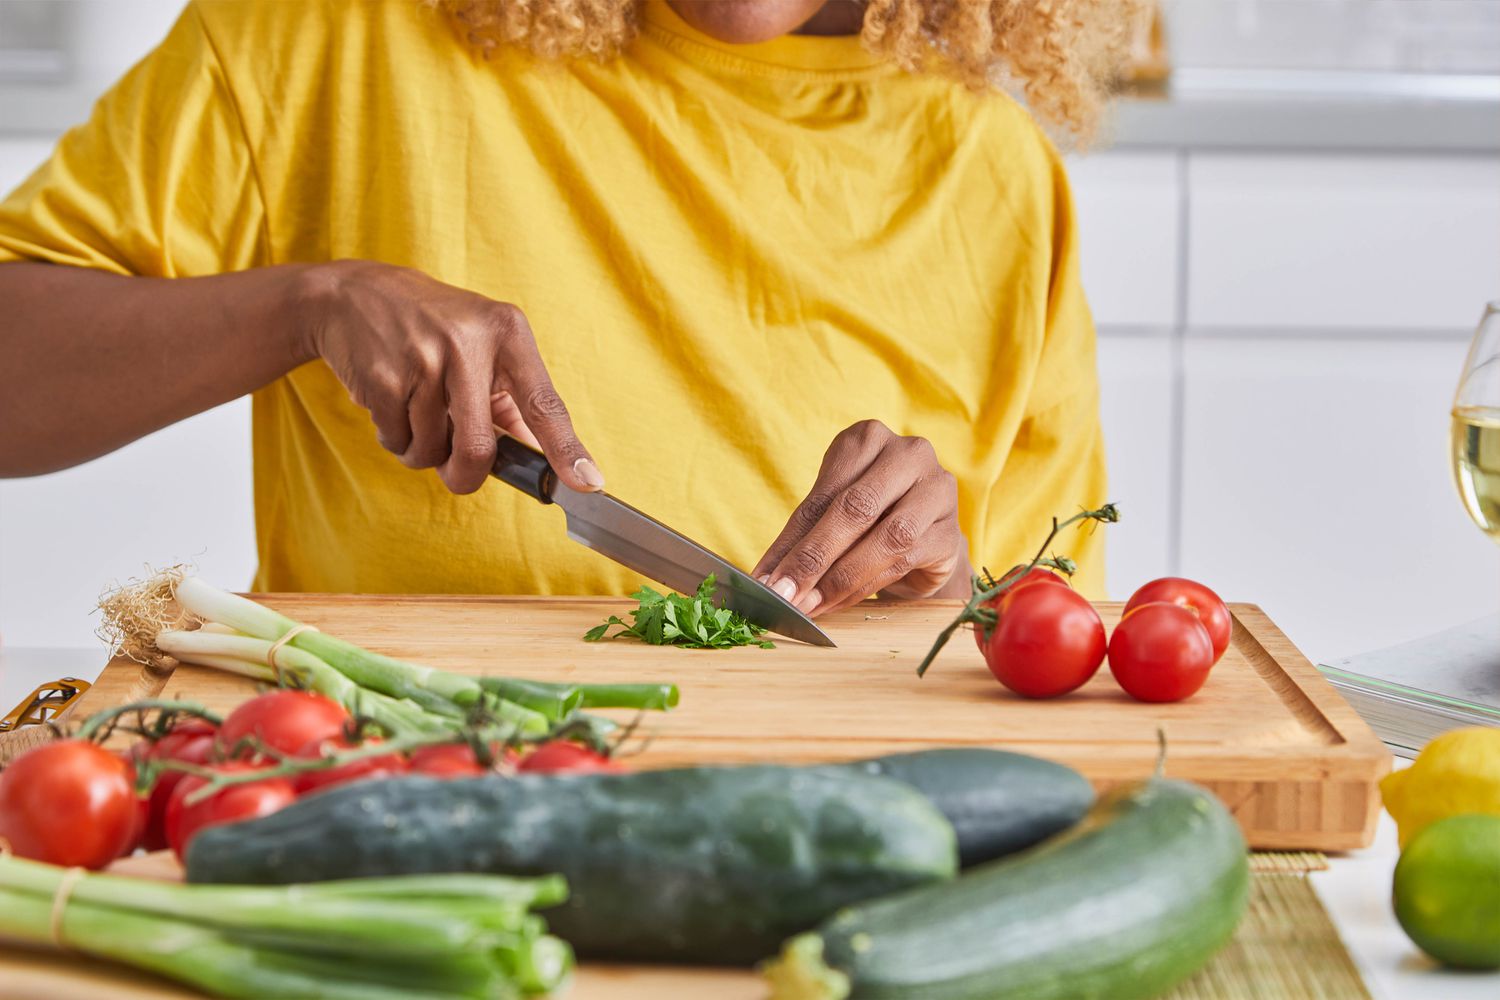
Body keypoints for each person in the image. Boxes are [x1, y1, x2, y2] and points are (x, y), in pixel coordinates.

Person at [0, 0, 1129, 617]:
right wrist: (309, 304)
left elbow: (1044, 633)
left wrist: (941, 574)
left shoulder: (996, 172)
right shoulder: (325, 33)